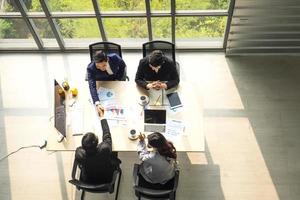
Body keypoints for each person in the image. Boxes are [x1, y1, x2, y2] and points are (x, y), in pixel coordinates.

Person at [74, 111, 120, 184]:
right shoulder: (104, 149)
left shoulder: (79, 153)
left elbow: (79, 148)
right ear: (97, 143)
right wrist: (102, 117)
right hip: (106, 179)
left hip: (87, 180)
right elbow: (107, 135)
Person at [87, 50, 126, 116]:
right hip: (102, 83)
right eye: (98, 67)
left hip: (115, 81)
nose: (102, 68)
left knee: (120, 100)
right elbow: (92, 86)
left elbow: (123, 66)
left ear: (107, 59)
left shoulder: (115, 57)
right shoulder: (90, 68)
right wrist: (97, 103)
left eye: (104, 65)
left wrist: (118, 78)